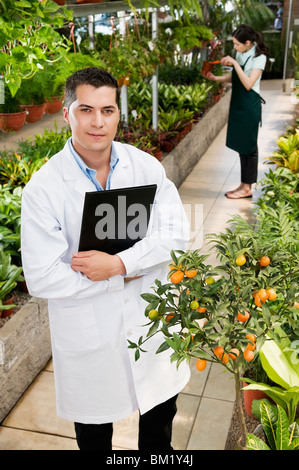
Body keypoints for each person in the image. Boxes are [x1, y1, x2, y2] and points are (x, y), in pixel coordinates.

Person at [21, 67, 190, 450]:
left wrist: (118, 266)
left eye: (108, 110)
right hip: (89, 336)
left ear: (118, 113)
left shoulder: (144, 167)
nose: (98, 122)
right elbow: (43, 277)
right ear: (66, 114)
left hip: (150, 325)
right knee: (95, 436)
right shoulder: (44, 189)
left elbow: (176, 234)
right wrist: (123, 273)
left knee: (160, 430)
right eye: (85, 109)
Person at [203, 24, 268, 199]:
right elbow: (237, 77)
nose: (235, 48)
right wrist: (217, 78)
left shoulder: (259, 58)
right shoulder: (241, 52)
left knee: (249, 146)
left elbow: (248, 83)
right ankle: (243, 185)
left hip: (250, 105)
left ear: (248, 43)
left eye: (237, 45)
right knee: (241, 145)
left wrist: (233, 62)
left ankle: (247, 188)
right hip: (239, 104)